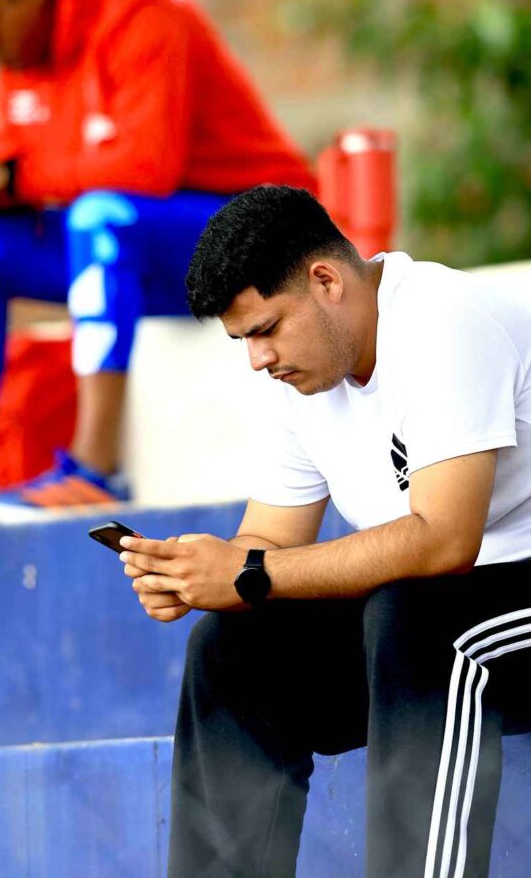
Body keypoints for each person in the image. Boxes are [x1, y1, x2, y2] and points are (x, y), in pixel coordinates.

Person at [119, 184, 531, 878]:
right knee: (230, 647)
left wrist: (248, 573)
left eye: (266, 329)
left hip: (486, 607)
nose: (258, 359)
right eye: (243, 340)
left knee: (417, 617)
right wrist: (194, 572)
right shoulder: (302, 381)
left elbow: (443, 542)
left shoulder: (442, 322)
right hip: (418, 632)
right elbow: (269, 542)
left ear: (325, 281)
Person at [0, 0, 315, 526]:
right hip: (160, 255)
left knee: (99, 216)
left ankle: (95, 470)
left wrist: (2, 174)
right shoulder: (24, 58)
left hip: (263, 235)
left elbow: (145, 168)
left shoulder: (141, 13)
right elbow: (19, 187)